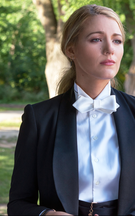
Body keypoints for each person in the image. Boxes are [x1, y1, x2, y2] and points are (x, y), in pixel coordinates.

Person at [8, 4, 135, 216]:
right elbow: (18, 204)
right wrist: (47, 215)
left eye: (117, 40)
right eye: (96, 39)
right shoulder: (39, 118)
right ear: (71, 49)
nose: (110, 49)